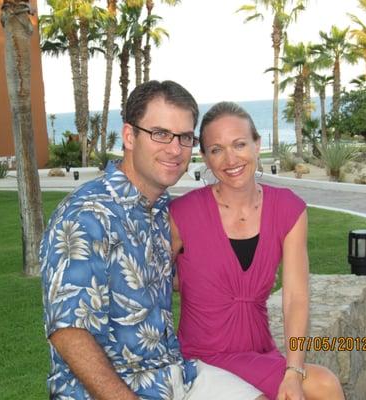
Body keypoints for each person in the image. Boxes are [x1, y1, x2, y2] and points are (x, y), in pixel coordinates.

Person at [40, 82, 267, 400]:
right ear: (130, 136)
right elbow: (68, 332)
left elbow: (166, 278)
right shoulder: (86, 214)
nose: (175, 149)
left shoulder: (163, 210)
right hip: (109, 390)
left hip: (174, 374)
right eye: (160, 133)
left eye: (185, 137)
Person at [170, 101, 345, 400]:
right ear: (205, 158)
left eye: (239, 144)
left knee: (324, 385)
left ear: (257, 145)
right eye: (216, 149)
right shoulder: (183, 213)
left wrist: (294, 370)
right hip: (201, 355)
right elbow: (150, 280)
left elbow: (295, 297)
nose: (230, 159)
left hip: (258, 351)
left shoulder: (288, 209)